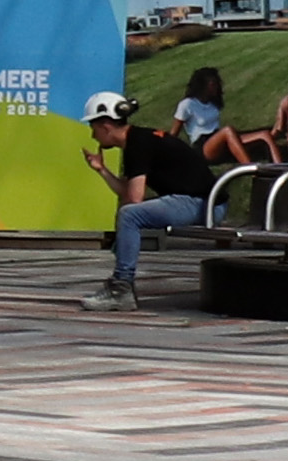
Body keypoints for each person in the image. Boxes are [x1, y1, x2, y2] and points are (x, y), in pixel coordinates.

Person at [84, 87, 211, 310]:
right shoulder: (139, 139)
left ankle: (121, 289)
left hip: (201, 204)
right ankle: (121, 286)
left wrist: (122, 238)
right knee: (128, 215)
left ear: (106, 126)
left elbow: (134, 199)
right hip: (202, 201)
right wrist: (101, 169)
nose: (92, 135)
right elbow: (128, 193)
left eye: (93, 128)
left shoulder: (137, 145)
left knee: (129, 215)